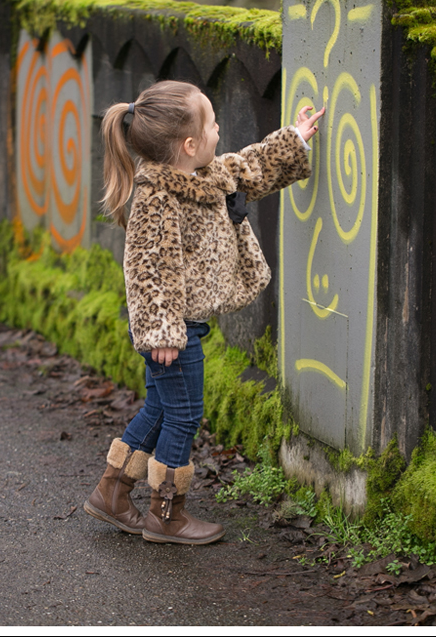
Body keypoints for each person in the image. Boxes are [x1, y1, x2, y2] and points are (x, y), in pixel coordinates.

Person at [83, 80, 324, 544]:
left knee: (161, 407)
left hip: (181, 327)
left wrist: (294, 137)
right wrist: (163, 334)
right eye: (212, 123)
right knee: (185, 414)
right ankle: (167, 515)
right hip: (173, 334)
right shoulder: (157, 197)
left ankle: (111, 494)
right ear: (189, 144)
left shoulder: (206, 174)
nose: (219, 130)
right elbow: (148, 269)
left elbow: (249, 166)